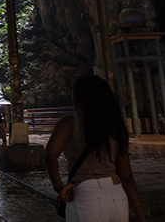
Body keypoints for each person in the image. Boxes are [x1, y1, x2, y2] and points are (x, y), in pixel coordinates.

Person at [45, 75, 147, 222]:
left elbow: (50, 154)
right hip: (116, 194)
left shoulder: (70, 123)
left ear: (78, 98)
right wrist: (140, 217)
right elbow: (127, 177)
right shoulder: (115, 127)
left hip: (85, 195)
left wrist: (59, 188)